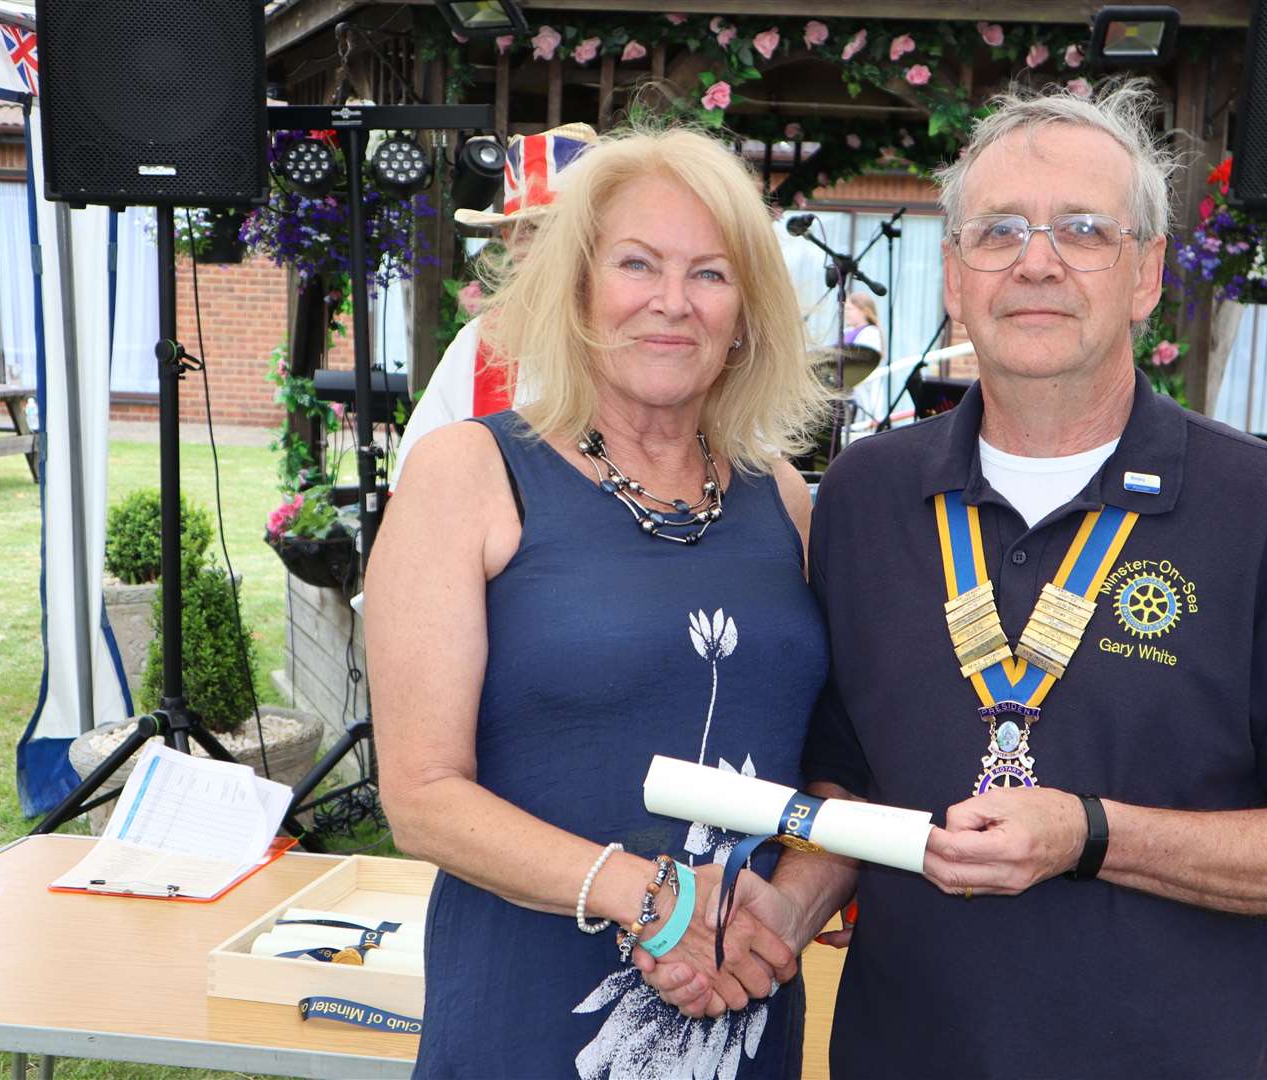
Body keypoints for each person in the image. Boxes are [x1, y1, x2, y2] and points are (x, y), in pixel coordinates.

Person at [644, 81, 1267, 1078]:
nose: (1036, 262)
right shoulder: (869, 495)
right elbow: (846, 779)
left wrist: (1091, 834)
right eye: (999, 231)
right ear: (956, 276)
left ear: (1144, 275)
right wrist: (788, 904)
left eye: (1083, 229)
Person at [365, 125, 832, 1079]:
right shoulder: (471, 473)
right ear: (576, 288)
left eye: (710, 273)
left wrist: (790, 905)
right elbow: (419, 798)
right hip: (527, 1015)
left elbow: (838, 763)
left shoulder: (785, 496)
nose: (672, 302)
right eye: (637, 264)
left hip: (738, 1011)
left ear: (746, 311)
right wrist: (647, 896)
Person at [390, 122, 597, 489]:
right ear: (509, 241)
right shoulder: (481, 344)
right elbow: (418, 478)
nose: (550, 248)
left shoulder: (638, 337)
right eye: (531, 229)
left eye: (564, 228)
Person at [839, 291, 883, 357]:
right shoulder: (847, 331)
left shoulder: (870, 333)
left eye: (849, 309)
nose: (845, 312)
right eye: (845, 309)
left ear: (864, 311)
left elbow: (864, 360)